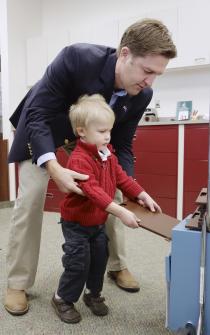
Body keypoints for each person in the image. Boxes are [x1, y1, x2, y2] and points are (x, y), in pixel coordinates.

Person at [5, 18, 177, 315]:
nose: (150, 82)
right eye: (147, 71)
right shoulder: (76, 58)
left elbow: (121, 146)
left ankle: (116, 265)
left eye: (157, 74)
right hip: (44, 128)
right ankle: (17, 282)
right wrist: (54, 168)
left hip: (91, 139)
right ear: (125, 54)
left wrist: (131, 189)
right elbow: (37, 114)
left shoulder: (142, 94)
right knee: (32, 195)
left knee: (114, 194)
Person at [52, 94, 161, 323]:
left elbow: (121, 178)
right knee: (77, 263)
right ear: (82, 131)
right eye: (101, 131)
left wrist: (142, 194)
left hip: (97, 223)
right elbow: (93, 192)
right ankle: (62, 298)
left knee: (99, 260)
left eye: (109, 130)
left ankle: (93, 295)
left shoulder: (107, 153)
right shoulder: (79, 159)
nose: (108, 136)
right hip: (76, 224)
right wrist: (121, 212)